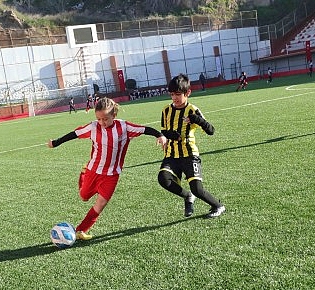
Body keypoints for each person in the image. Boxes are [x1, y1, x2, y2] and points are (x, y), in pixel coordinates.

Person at [47, 97, 167, 240]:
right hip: (93, 171)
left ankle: (80, 230)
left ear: (114, 116)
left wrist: (160, 135)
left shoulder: (124, 127)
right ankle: (83, 173)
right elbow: (74, 134)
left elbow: (144, 129)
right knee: (84, 197)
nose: (102, 122)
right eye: (99, 119)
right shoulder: (93, 127)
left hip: (111, 175)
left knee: (101, 203)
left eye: (105, 119)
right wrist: (56, 143)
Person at [158, 73, 226, 218]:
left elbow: (211, 130)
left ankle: (218, 206)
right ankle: (187, 196)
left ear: (187, 92)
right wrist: (168, 136)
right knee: (163, 178)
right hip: (171, 154)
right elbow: (164, 130)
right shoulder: (166, 110)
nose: (174, 98)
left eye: (177, 94)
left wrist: (198, 120)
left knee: (197, 189)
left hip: (190, 155)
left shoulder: (192, 110)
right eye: (171, 94)